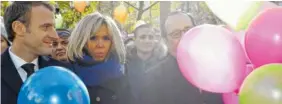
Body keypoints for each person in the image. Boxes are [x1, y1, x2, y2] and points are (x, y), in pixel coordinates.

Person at [141, 11, 223, 104]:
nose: (185, 36)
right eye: (176, 34)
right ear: (166, 41)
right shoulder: (153, 79)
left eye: (189, 30)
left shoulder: (216, 68)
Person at [1, 2, 71, 104]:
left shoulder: (62, 72)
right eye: (46, 27)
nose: (55, 36)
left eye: (53, 27)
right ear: (19, 28)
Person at [67, 12, 132, 104]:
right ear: (82, 40)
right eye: (93, 38)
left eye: (106, 38)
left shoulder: (123, 69)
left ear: (113, 41)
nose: (100, 45)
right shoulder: (69, 73)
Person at [126, 24, 167, 103]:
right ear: (135, 39)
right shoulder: (125, 65)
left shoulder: (164, 64)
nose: (147, 40)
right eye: (142, 37)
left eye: (151, 37)